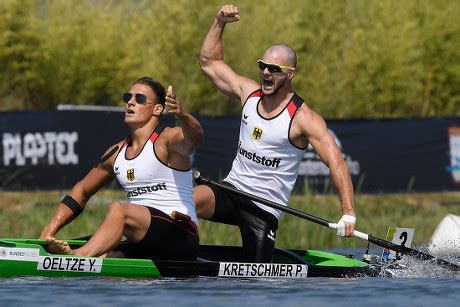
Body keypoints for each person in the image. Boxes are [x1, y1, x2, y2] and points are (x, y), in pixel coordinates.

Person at [194, 4, 356, 262]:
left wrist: (348, 213)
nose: (266, 73)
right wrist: (218, 22)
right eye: (263, 66)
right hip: (231, 190)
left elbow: (336, 162)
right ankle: (174, 250)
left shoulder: (304, 119)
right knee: (186, 202)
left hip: (264, 209)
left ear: (290, 74)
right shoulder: (247, 93)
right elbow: (210, 62)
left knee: (258, 276)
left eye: (274, 69)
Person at [39, 76, 203, 261]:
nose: (130, 102)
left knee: (119, 210)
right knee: (107, 257)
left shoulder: (166, 140)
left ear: (157, 109)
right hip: (144, 239)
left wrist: (183, 116)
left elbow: (194, 138)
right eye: (127, 97)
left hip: (181, 237)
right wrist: (49, 230)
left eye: (139, 99)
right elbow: (82, 190)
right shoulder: (116, 153)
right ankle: (83, 257)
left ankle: (78, 257)